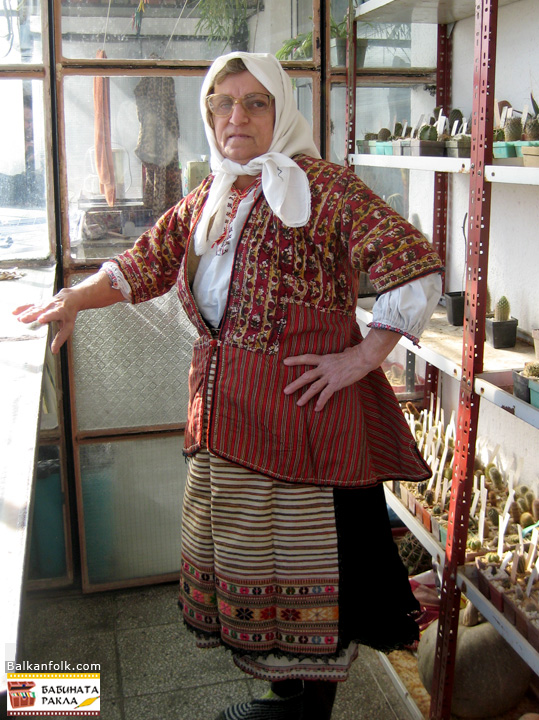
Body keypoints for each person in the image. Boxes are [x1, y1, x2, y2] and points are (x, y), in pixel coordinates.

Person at [15, 52, 443, 720]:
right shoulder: (211, 194)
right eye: (222, 102)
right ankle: (281, 696)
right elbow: (142, 263)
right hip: (229, 417)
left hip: (304, 425)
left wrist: (361, 359)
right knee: (254, 566)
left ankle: (304, 708)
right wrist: (72, 299)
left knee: (310, 570)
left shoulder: (324, 186)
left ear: (281, 110)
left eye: (255, 103)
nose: (234, 117)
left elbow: (411, 267)